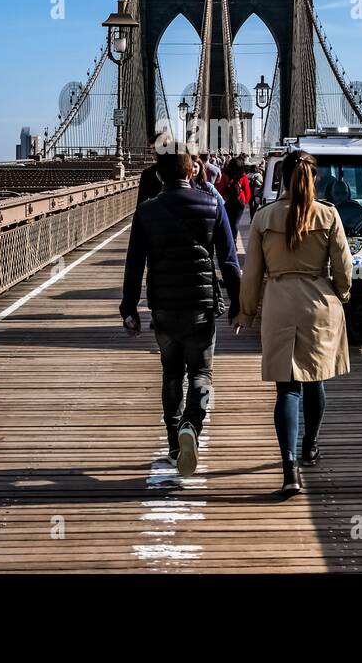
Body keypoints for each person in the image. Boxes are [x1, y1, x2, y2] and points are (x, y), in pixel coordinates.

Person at [235, 149, 352, 497]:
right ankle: (311, 445)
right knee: (315, 381)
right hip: (319, 303)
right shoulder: (328, 215)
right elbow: (343, 268)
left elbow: (252, 272)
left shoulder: (263, 217)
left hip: (279, 303)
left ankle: (290, 471)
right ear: (313, 178)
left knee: (287, 388)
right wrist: (341, 295)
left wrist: (246, 311)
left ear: (282, 177)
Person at [121, 147, 241, 477]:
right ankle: (192, 425)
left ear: (159, 176)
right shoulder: (213, 204)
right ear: (192, 172)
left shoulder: (146, 211)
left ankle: (175, 443)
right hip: (201, 307)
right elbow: (229, 261)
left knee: (171, 373)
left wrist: (128, 308)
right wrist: (239, 305)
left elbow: (134, 264)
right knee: (201, 374)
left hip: (163, 307)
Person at [218, 156, 251, 242]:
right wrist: (244, 201)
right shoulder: (243, 176)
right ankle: (234, 240)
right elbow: (247, 191)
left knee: (228, 222)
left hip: (228, 201)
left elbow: (221, 189)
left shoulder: (225, 175)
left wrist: (225, 197)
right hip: (240, 202)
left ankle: (229, 240)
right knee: (235, 222)